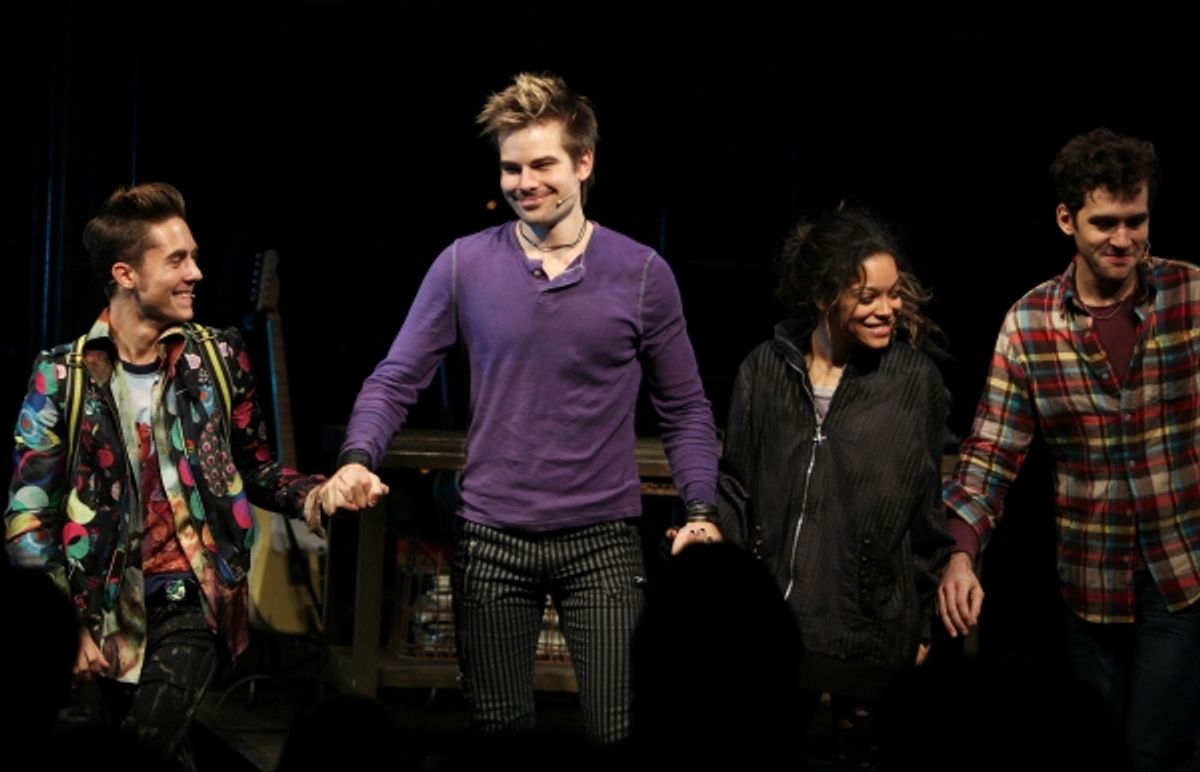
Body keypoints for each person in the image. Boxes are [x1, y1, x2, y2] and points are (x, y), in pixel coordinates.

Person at [321, 72, 720, 744]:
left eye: (542, 164)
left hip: (602, 542)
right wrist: (357, 457)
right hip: (493, 539)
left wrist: (702, 509)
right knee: (501, 737)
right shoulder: (463, 264)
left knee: (621, 732)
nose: (524, 182)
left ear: (584, 163)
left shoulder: (643, 273)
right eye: (511, 167)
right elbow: (395, 377)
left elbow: (685, 406)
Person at [4, 182, 338, 770]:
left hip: (197, 598)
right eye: (177, 259)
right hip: (106, 613)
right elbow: (29, 512)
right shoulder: (62, 375)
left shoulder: (218, 359)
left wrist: (316, 493)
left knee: (142, 748)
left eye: (195, 256)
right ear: (126, 274)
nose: (196, 273)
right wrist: (66, 625)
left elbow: (256, 467)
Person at [938, 128, 1200, 772]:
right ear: (1066, 219)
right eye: (1104, 222)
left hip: (1183, 569)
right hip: (1090, 576)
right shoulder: (1030, 323)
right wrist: (961, 555)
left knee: (1152, 752)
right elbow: (991, 450)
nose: (1123, 239)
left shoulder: (1190, 296)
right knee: (1097, 750)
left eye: (1135, 221)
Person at [713, 207, 951, 765]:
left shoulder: (915, 382)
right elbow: (736, 489)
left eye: (893, 294)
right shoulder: (764, 371)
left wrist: (923, 624)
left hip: (869, 634)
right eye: (867, 296)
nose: (887, 309)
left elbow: (925, 513)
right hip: (775, 634)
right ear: (824, 296)